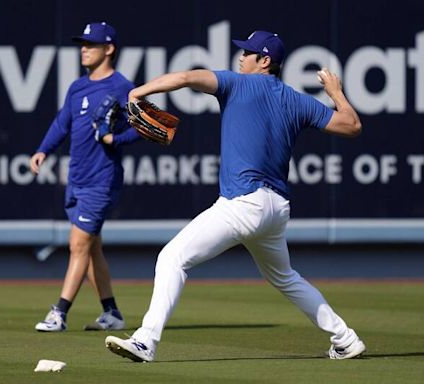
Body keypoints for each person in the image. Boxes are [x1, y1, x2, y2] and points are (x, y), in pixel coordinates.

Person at [105, 30, 365, 361]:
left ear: (265, 61)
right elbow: (352, 125)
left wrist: (138, 91)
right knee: (285, 278)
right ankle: (344, 338)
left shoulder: (236, 83)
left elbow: (185, 76)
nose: (241, 57)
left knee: (171, 258)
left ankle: (145, 341)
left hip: (243, 203)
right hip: (276, 209)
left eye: (249, 53)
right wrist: (336, 93)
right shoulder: (297, 100)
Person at [30, 22, 140, 332]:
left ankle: (59, 313)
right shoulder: (77, 87)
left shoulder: (122, 87)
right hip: (76, 178)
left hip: (102, 179)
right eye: (83, 43)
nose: (84, 48)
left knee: (78, 244)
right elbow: (62, 122)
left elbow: (146, 127)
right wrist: (43, 150)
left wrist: (114, 140)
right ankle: (112, 313)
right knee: (91, 248)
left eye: (91, 44)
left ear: (109, 49)